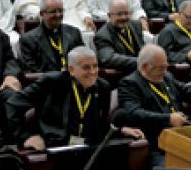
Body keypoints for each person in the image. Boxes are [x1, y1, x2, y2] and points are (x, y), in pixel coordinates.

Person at [7, 47, 143, 150]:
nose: (93, 72)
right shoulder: (50, 82)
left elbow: (100, 126)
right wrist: (26, 136)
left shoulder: (103, 87)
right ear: (71, 69)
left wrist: (120, 130)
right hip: (58, 147)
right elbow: (12, 104)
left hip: (89, 147)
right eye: (86, 68)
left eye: (95, 66)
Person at [117, 45, 191, 166]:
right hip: (157, 144)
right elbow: (134, 113)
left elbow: (187, 90)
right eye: (160, 68)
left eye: (166, 67)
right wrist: (168, 119)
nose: (165, 71)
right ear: (144, 67)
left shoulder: (166, 77)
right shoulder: (130, 84)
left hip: (182, 136)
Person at [19, 0, 84, 73]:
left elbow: (83, 60)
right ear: (42, 14)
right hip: (46, 83)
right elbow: (31, 70)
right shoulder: (28, 40)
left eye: (61, 10)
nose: (58, 15)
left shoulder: (74, 32)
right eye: (53, 11)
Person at [94, 0, 146, 74]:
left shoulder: (136, 25)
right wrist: (141, 61)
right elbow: (109, 59)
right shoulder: (102, 35)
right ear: (109, 16)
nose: (123, 17)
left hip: (141, 71)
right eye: (119, 14)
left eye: (126, 13)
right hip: (121, 75)